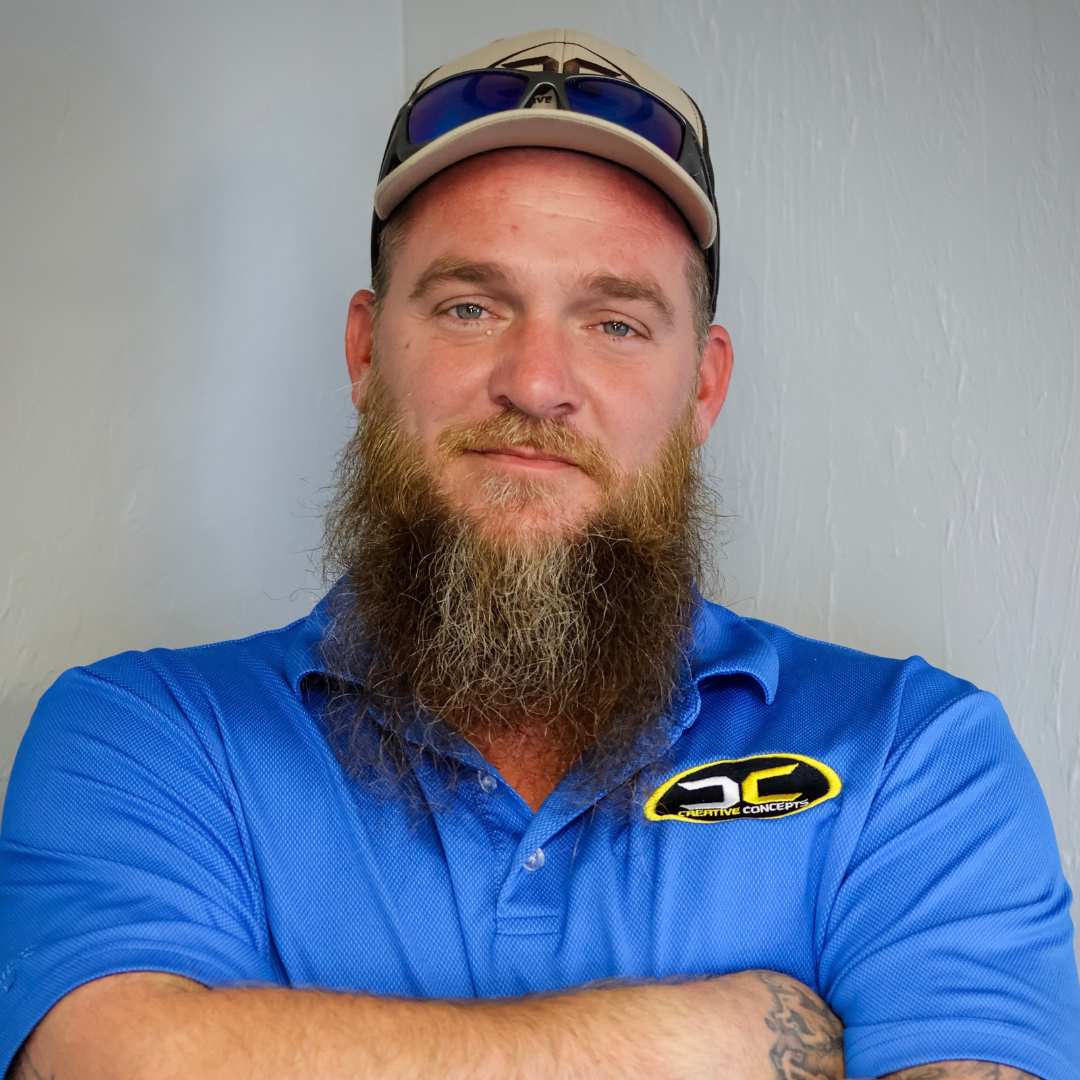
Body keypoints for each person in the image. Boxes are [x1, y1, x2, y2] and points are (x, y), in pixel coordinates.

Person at [1, 26, 1078, 1080]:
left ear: (703, 389)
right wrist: (685, 1046)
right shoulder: (147, 740)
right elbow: (122, 1058)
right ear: (366, 353)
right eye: (471, 307)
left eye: (614, 324)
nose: (535, 382)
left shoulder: (913, 760)